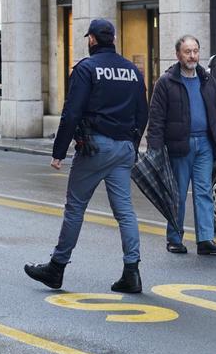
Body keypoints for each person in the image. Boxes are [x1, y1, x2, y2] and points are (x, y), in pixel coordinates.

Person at [24, 19, 148, 293]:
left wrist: (59, 152)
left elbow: (72, 112)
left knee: (75, 207)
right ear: (113, 38)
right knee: (125, 212)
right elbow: (143, 112)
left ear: (92, 40)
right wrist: (132, 144)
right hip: (124, 148)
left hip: (95, 147)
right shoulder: (132, 71)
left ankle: (56, 268)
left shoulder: (86, 69)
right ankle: (132, 272)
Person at [147, 35, 216, 255]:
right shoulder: (166, 82)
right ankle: (174, 239)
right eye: (187, 52)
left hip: (205, 144)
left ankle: (205, 240)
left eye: (195, 51)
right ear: (178, 55)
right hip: (179, 145)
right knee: (177, 194)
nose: (192, 56)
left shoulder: (207, 80)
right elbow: (156, 119)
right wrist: (154, 149)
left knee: (204, 192)